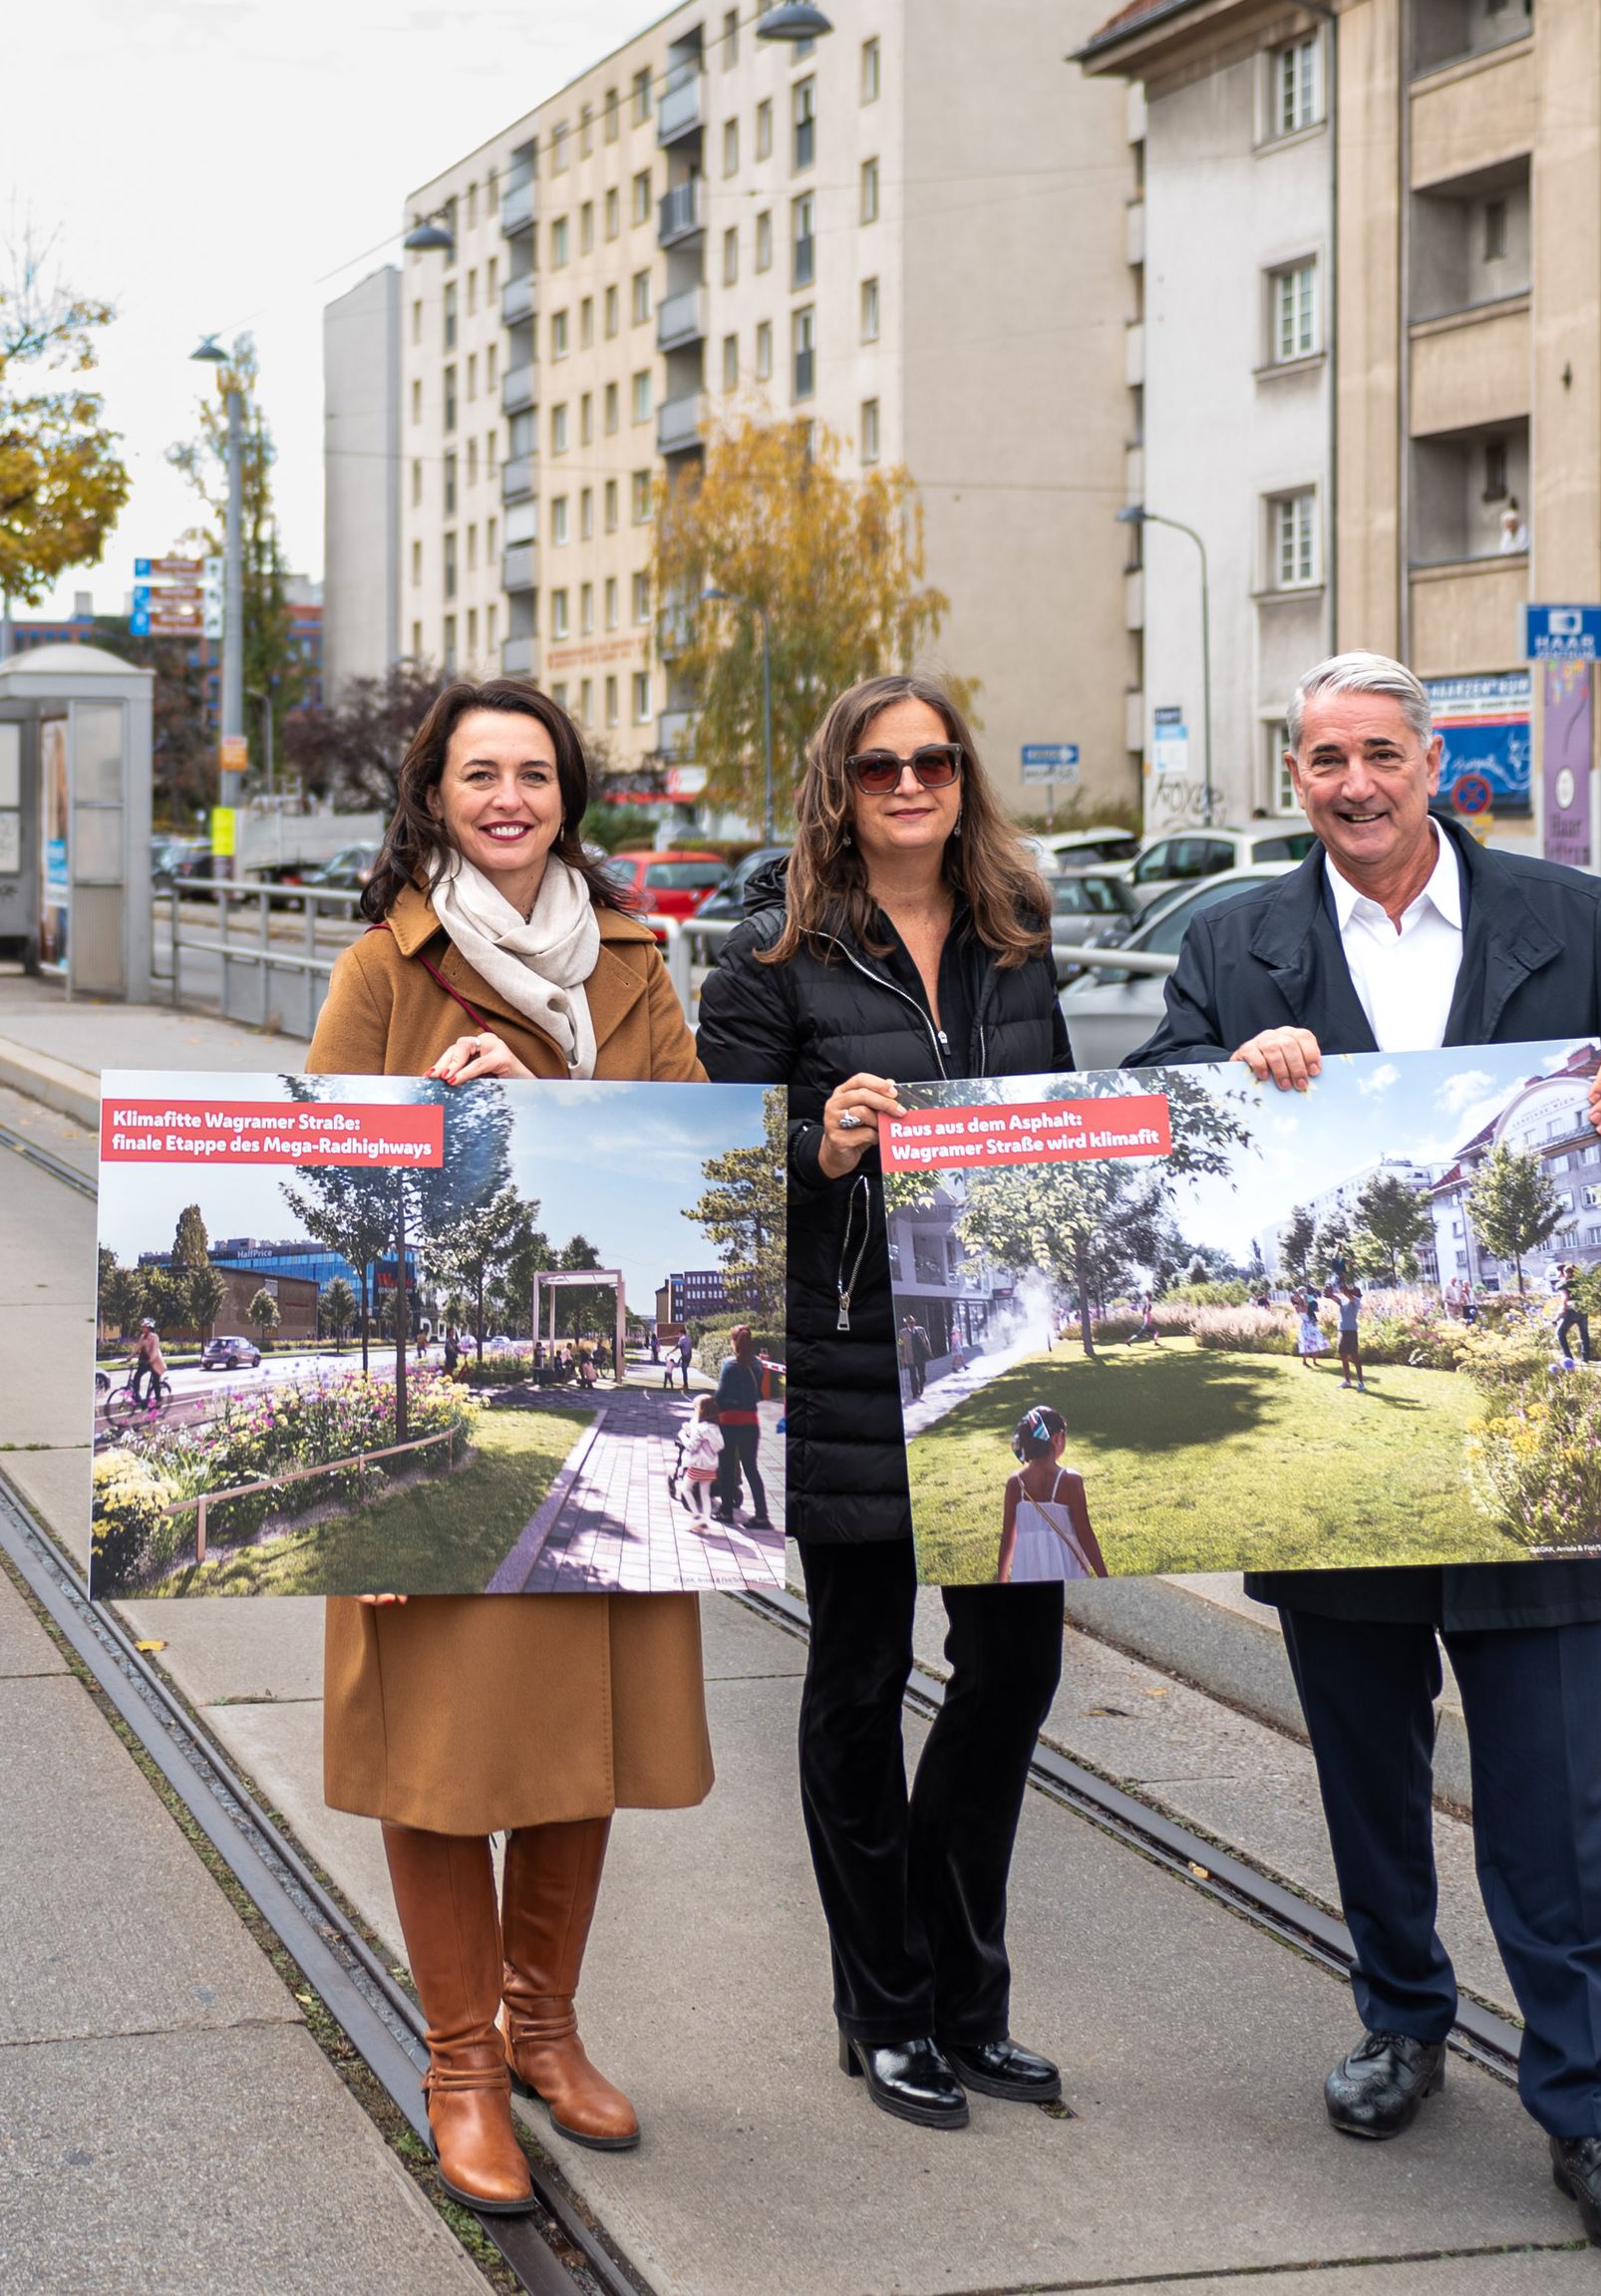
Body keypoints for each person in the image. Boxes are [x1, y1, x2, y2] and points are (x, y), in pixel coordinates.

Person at [1126, 650, 1601, 2269]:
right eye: (1323, 758)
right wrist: (1216, 1090)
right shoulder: (1234, 942)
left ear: (1432, 755)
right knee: (1365, 1770)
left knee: (1561, 1797)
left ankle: (1590, 2106)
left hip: (1532, 1423)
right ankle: (1402, 2015)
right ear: (1295, 771)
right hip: (1336, 1438)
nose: (1353, 783)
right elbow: (1146, 1116)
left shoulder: (1574, 916)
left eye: (1379, 753)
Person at [307, 676, 714, 2218]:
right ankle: (462, 2060)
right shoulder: (381, 966)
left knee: (576, 1738)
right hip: (439, 1386)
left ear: (569, 795)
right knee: (442, 1754)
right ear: (434, 794)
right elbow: (326, 1183)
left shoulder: (631, 960)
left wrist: (568, 1107)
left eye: (533, 773)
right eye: (478, 773)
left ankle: (545, 2025)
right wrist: (435, 1110)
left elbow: (690, 1140)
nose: (508, 797)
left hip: (596, 1414)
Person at [697, 672, 1078, 2134]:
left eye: (932, 760)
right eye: (878, 765)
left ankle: (963, 1993)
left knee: (1011, 1676)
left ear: (964, 779)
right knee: (859, 1684)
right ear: (838, 787)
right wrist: (820, 1138)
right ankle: (886, 2003)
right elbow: (724, 1163)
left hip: (1002, 1366)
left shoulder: (1014, 945)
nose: (909, 783)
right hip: (851, 1366)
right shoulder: (770, 961)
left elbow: (1058, 1135)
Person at [991, 1407, 1109, 1583]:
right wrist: (1104, 1578)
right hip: (1067, 1570)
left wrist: (1002, 1580)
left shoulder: (1015, 1483)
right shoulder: (1070, 1480)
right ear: (1057, 1438)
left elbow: (1008, 1537)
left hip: (1028, 1572)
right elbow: (1085, 1534)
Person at [708, 1327, 774, 1528]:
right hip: (751, 1423)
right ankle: (762, 1515)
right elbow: (759, 1395)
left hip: (729, 1422)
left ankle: (726, 1511)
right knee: (751, 1467)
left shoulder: (729, 1364)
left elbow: (721, 1395)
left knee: (727, 1467)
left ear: (734, 1342)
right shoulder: (758, 1364)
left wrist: (710, 1411)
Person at [679, 1402, 725, 1524]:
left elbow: (692, 1446)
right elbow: (719, 1446)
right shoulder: (716, 1428)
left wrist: (683, 1435)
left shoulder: (700, 1428)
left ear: (703, 1411)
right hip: (710, 1468)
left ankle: (696, 1515)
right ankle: (706, 1519)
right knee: (705, 1495)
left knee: (685, 1488)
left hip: (697, 1465)